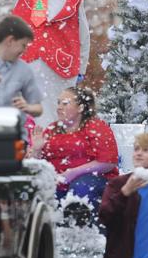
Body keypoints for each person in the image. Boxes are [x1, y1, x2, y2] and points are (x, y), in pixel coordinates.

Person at [29, 86, 118, 225]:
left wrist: (73, 173)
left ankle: (82, 233)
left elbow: (108, 162)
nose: (59, 107)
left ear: (81, 108)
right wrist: (36, 150)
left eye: (65, 103)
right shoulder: (52, 129)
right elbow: (35, 165)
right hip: (58, 183)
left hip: (92, 182)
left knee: (81, 186)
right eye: (58, 103)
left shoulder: (95, 126)